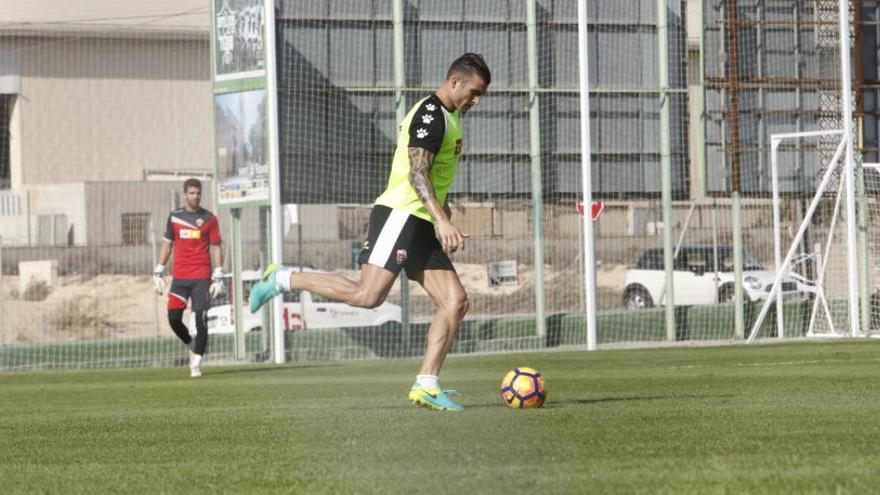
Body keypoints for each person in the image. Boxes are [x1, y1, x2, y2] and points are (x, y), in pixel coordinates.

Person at [249, 53, 491, 411]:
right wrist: (442, 219)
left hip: (422, 220)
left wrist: (442, 214)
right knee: (367, 296)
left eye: (481, 94)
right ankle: (282, 278)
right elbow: (417, 173)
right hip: (401, 216)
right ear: (455, 81)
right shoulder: (430, 115)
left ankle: (427, 383)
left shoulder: (453, 115)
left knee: (455, 302)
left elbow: (435, 177)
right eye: (474, 91)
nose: (476, 100)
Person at [152, 178, 225, 377]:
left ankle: (196, 362)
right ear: (185, 194)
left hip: (201, 277)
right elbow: (167, 244)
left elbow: (216, 246)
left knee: (201, 320)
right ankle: (191, 343)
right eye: (192, 193)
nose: (195, 196)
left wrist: (218, 275)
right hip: (180, 278)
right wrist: (159, 270)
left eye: (198, 193)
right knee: (174, 318)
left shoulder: (209, 219)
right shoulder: (175, 217)